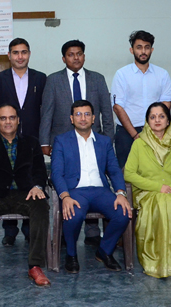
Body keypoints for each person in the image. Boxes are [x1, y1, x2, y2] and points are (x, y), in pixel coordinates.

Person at [41, 40, 114, 246]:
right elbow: (46, 112)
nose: (76, 58)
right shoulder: (53, 80)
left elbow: (106, 113)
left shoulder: (97, 79)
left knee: (93, 180)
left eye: (79, 54)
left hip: (93, 141)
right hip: (63, 143)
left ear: (84, 56)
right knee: (70, 181)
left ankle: (92, 232)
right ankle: (67, 232)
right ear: (64, 58)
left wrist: (107, 139)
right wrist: (44, 141)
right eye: (71, 55)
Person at [0, 104, 51, 288]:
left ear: (18, 120)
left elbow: (40, 170)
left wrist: (38, 186)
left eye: (11, 118)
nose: (7, 122)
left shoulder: (31, 142)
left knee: (41, 205)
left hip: (26, 193)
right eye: (3, 118)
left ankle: (35, 266)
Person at [50, 100, 132, 274]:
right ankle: (71, 255)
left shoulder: (104, 141)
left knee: (123, 213)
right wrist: (65, 196)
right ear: (71, 118)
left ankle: (104, 250)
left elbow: (115, 170)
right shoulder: (61, 141)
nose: (83, 118)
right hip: (75, 191)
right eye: (78, 114)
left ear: (93, 118)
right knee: (73, 214)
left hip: (100, 191)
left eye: (87, 114)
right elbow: (56, 173)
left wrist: (120, 192)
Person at [124, 102, 171, 278]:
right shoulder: (139, 144)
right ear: (147, 121)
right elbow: (129, 173)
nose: (157, 120)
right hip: (147, 192)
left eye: (161, 116)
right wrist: (159, 187)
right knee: (162, 203)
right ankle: (158, 263)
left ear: (168, 121)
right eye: (152, 117)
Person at [0, 38, 48, 245]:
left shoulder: (41, 78)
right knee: (7, 178)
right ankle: (9, 231)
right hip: (5, 138)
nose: (20, 56)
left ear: (29, 54)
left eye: (23, 52)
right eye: (15, 52)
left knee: (28, 178)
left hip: (31, 138)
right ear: (9, 55)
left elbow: (45, 110)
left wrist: (44, 139)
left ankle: (30, 227)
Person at [111, 30, 171, 168]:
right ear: (131, 50)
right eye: (139, 47)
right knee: (127, 174)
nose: (143, 51)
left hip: (157, 132)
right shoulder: (122, 74)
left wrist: (155, 130)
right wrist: (135, 135)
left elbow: (166, 103)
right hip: (127, 134)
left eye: (147, 47)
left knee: (156, 172)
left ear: (152, 49)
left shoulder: (162, 74)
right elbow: (117, 107)